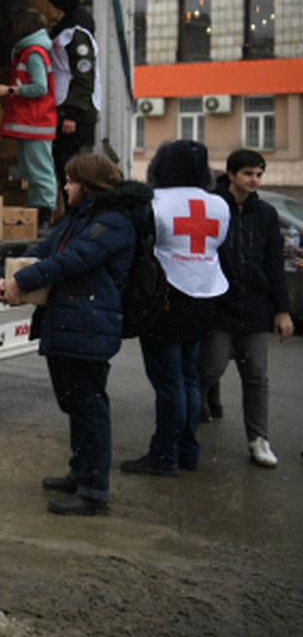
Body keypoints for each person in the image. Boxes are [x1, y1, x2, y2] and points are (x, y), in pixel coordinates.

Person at [0, 154, 152, 516]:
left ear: (89, 183)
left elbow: (75, 259)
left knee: (90, 409)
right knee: (75, 404)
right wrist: (12, 271)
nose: (64, 187)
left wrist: (23, 280)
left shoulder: (114, 221)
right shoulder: (80, 217)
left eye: (69, 180)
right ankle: (78, 473)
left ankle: (94, 491)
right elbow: (47, 251)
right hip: (70, 322)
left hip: (90, 324)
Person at [121, 140, 229, 476]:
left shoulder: (155, 202)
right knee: (189, 379)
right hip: (206, 295)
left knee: (168, 382)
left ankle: (164, 456)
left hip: (166, 298)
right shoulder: (218, 205)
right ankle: (187, 453)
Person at [198, 149, 294, 468]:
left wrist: (282, 311)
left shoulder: (265, 214)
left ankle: (258, 440)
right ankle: (188, 428)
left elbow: (273, 264)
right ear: (231, 174)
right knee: (209, 368)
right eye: (248, 174)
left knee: (256, 376)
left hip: (254, 308)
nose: (254, 180)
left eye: (259, 174)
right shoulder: (212, 206)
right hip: (219, 305)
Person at [0, 7, 58, 233]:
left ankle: (43, 217)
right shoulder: (30, 51)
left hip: (36, 122)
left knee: (39, 172)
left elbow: (40, 88)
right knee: (32, 172)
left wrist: (8, 90)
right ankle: (36, 214)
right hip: (31, 123)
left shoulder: (33, 53)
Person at [46, 0, 100, 192]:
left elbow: (84, 76)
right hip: (64, 106)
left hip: (74, 112)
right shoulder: (64, 31)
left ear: (60, 9)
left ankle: (77, 212)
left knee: (70, 168)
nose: (47, 10)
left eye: (50, 6)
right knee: (63, 166)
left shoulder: (77, 36)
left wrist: (72, 113)